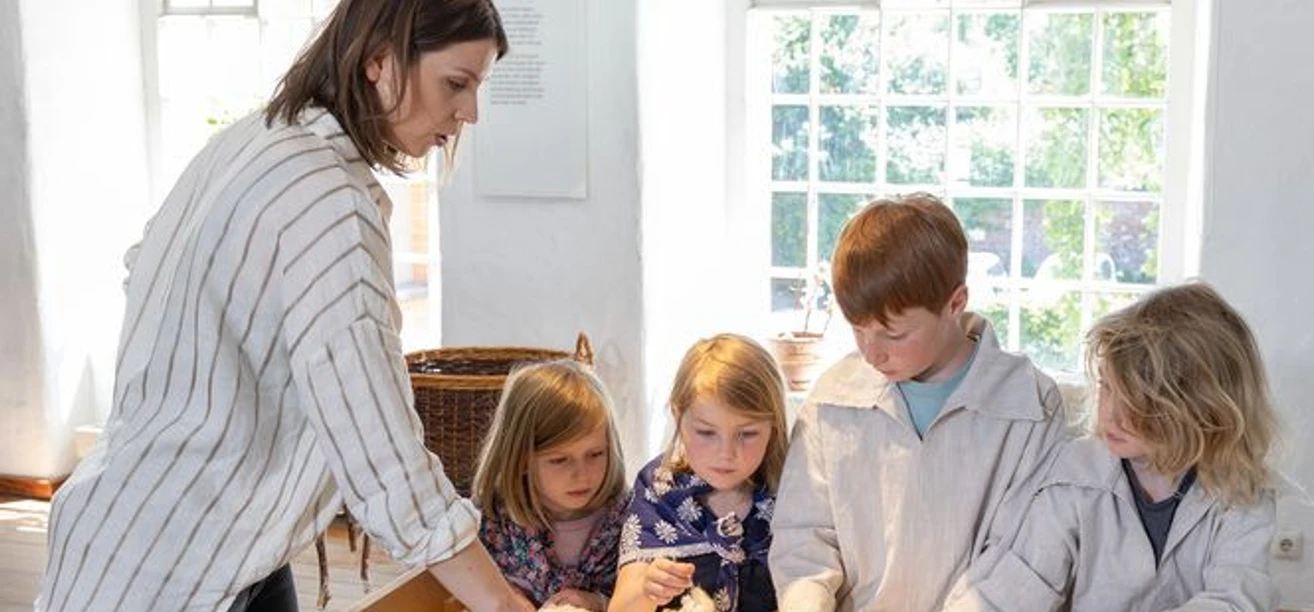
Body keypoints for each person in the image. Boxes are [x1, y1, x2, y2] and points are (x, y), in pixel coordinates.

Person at [36, 1, 531, 610]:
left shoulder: (255, 139)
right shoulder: (326, 201)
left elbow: (144, 268)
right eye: (456, 84)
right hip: (174, 565)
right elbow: (383, 451)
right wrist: (503, 605)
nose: (469, 114)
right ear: (380, 60)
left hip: (185, 530)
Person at [769, 193, 1068, 611]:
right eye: (859, 330)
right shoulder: (833, 397)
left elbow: (1023, 560)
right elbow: (805, 537)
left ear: (956, 303)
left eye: (893, 335)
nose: (872, 354)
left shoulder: (1030, 404)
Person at [946, 282, 1282, 611]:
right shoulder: (1073, 476)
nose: (1112, 415)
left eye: (1139, 399)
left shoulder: (1242, 492)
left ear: (1201, 406)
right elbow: (1016, 587)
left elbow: (1235, 600)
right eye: (1107, 387)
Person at [610, 334, 789, 612]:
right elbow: (621, 607)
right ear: (678, 416)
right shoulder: (659, 487)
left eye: (747, 434)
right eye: (706, 432)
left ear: (773, 427)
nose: (726, 453)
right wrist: (648, 587)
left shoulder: (793, 491)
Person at [473, 360, 631, 611]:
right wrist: (506, 597)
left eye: (595, 454)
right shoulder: (493, 519)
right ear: (522, 459)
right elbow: (470, 585)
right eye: (559, 460)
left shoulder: (629, 519)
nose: (581, 475)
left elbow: (648, 601)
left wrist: (599, 603)